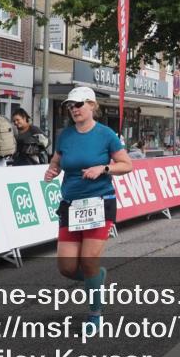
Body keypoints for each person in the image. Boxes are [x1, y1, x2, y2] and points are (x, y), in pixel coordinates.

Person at [43, 86, 132, 333]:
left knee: (88, 259)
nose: (74, 109)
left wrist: (104, 168)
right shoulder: (65, 135)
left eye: (79, 104)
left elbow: (127, 164)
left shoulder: (106, 134)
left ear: (92, 105)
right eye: (70, 106)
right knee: (67, 267)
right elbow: (56, 161)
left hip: (99, 203)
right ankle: (96, 279)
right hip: (71, 205)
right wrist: (52, 171)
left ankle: (95, 314)